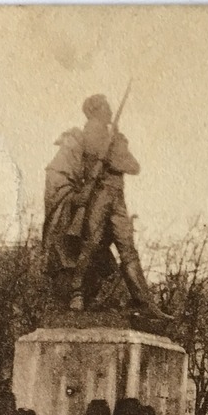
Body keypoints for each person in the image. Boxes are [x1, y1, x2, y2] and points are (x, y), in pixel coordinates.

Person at [42, 94, 173, 324]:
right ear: (96, 110)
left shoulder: (111, 136)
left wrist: (117, 143)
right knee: (93, 246)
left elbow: (133, 167)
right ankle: (77, 293)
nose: (111, 112)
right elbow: (128, 165)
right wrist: (115, 146)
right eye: (106, 108)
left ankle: (143, 302)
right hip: (99, 196)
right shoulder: (91, 135)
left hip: (116, 199)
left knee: (122, 249)